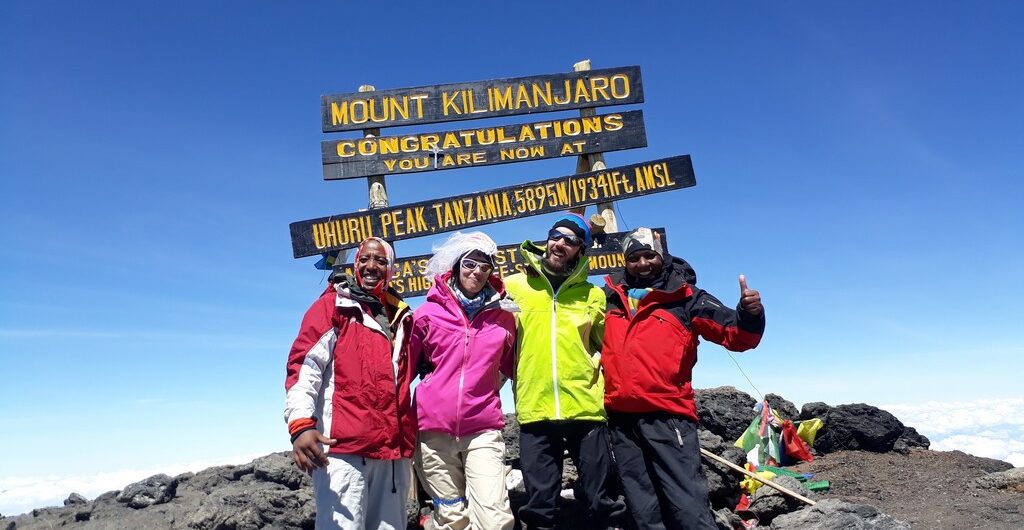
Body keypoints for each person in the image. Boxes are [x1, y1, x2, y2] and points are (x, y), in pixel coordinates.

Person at [600, 227, 765, 530]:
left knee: (687, 505)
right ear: (625, 262)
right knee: (642, 507)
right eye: (634, 257)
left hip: (668, 417)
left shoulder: (686, 297)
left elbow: (739, 337)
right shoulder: (611, 298)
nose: (642, 263)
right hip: (622, 421)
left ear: (662, 256)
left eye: (649, 255)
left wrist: (750, 313)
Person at [504, 213, 627, 530]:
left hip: (585, 407)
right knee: (540, 505)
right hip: (535, 407)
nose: (559, 243)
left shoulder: (593, 295)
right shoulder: (515, 287)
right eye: (555, 235)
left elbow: (614, 347)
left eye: (570, 240)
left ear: (581, 251)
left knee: (602, 499)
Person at [284, 237, 415, 530]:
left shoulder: (402, 317)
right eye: (365, 259)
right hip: (344, 449)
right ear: (355, 264)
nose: (372, 266)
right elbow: (305, 367)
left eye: (381, 261)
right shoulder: (333, 306)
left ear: (391, 269)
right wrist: (301, 425)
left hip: (393, 453)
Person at [408, 231, 517, 530]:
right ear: (456, 266)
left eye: (485, 267)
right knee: (451, 517)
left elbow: (513, 366)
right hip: (433, 431)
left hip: (482, 428)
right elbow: (405, 370)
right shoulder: (426, 315)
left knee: (494, 518)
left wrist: (489, 388)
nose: (477, 272)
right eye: (470, 264)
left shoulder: (503, 317)